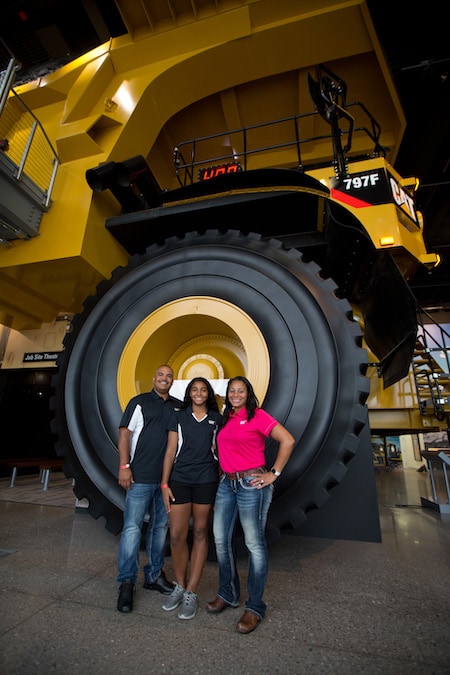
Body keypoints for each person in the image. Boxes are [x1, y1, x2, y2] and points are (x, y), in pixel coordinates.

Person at [206, 376, 295, 634]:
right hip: (226, 484)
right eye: (231, 390)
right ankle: (228, 593)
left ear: (248, 394)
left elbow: (287, 440)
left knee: (254, 544)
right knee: (221, 540)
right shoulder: (226, 419)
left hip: (251, 484)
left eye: (240, 390)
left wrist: (273, 474)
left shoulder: (258, 416)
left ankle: (255, 607)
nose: (235, 394)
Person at [116, 364, 182, 612]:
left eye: (169, 376)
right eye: (161, 374)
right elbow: (125, 433)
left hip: (167, 480)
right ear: (154, 378)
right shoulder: (139, 402)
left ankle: (154, 575)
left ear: (173, 381)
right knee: (132, 528)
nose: (165, 378)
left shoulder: (178, 405)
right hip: (140, 478)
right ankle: (126, 582)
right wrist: (124, 465)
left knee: (160, 527)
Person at [160, 377, 221, 620]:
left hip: (206, 480)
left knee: (200, 533)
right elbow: (169, 452)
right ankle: (180, 585)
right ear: (189, 393)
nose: (199, 393)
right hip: (180, 480)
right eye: (194, 389)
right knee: (176, 534)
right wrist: (164, 483)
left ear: (208, 394)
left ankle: (192, 592)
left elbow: (221, 451)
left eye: (203, 389)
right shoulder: (179, 416)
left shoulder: (217, 419)